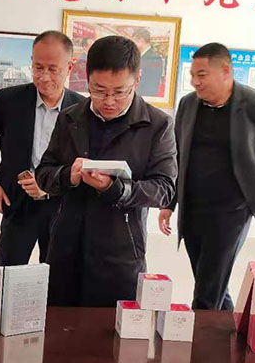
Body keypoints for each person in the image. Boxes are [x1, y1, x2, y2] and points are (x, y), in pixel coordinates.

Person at [158, 42, 255, 311]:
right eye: (192, 75)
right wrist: (168, 203)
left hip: (232, 209)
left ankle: (200, 335)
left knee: (207, 291)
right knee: (210, 280)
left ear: (225, 71)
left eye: (202, 75)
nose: (195, 82)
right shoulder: (188, 104)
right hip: (193, 207)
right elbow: (178, 154)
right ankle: (228, 329)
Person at [36, 35, 177, 307]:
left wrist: (115, 189)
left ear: (136, 81)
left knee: (112, 328)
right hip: (66, 248)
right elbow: (44, 173)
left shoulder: (157, 125)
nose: (109, 101)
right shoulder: (70, 117)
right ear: (86, 81)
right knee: (59, 325)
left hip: (120, 253)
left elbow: (164, 189)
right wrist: (68, 175)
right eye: (98, 90)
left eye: (120, 92)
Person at [0, 31, 84, 266]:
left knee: (56, 277)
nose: (44, 77)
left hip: (61, 207)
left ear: (70, 67)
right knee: (9, 273)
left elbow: (86, 162)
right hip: (16, 203)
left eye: (53, 69)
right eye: (38, 68)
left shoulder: (82, 109)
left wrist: (49, 186)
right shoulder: (9, 100)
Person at [133, 28, 164, 97]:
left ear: (141, 41)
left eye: (134, 41)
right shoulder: (143, 56)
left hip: (145, 96)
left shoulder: (154, 58)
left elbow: (149, 82)